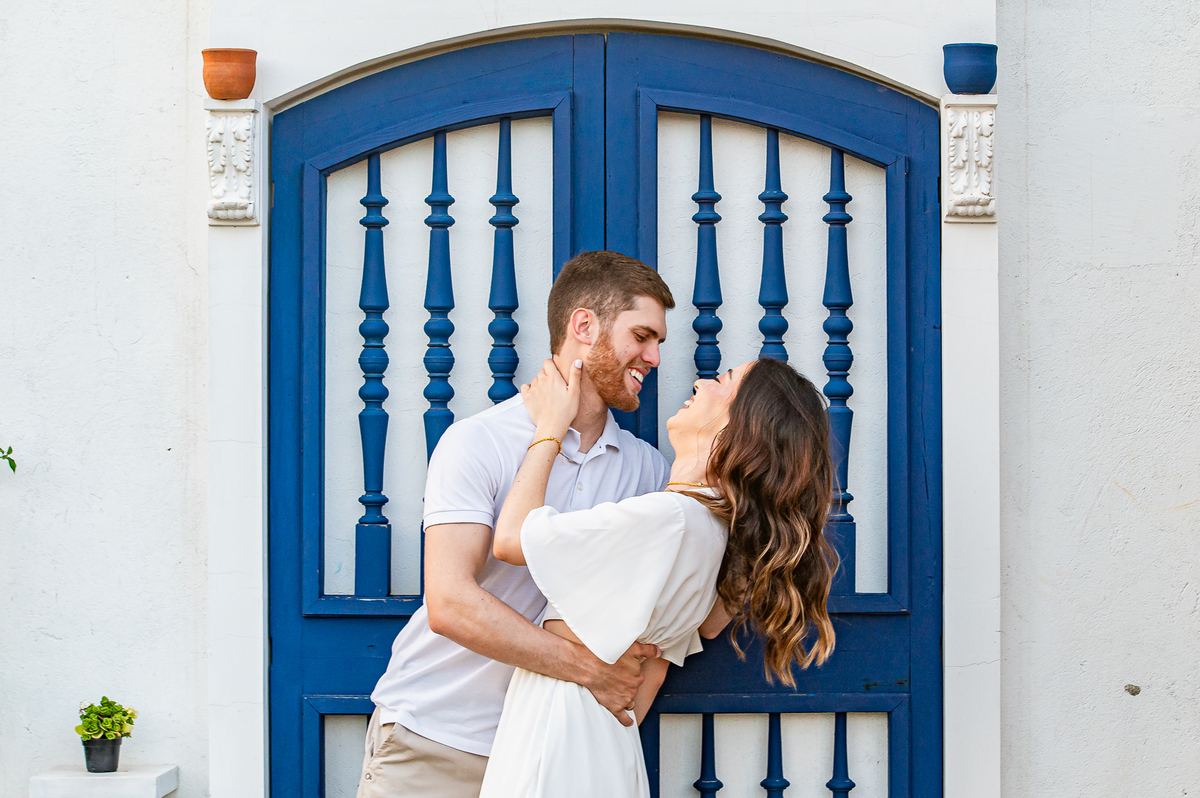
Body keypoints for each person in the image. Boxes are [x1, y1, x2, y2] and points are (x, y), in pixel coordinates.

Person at [358, 251, 676, 798]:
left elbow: (654, 621)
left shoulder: (647, 470)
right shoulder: (477, 441)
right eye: (642, 336)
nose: (654, 357)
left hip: (552, 753)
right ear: (584, 326)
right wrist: (590, 672)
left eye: (657, 342)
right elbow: (450, 602)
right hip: (436, 741)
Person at [479, 356, 838, 798]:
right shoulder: (714, 536)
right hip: (606, 742)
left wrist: (550, 427)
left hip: (558, 736)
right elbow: (655, 672)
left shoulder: (671, 517)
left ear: (742, 427)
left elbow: (510, 539)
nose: (702, 384)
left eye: (723, 381)